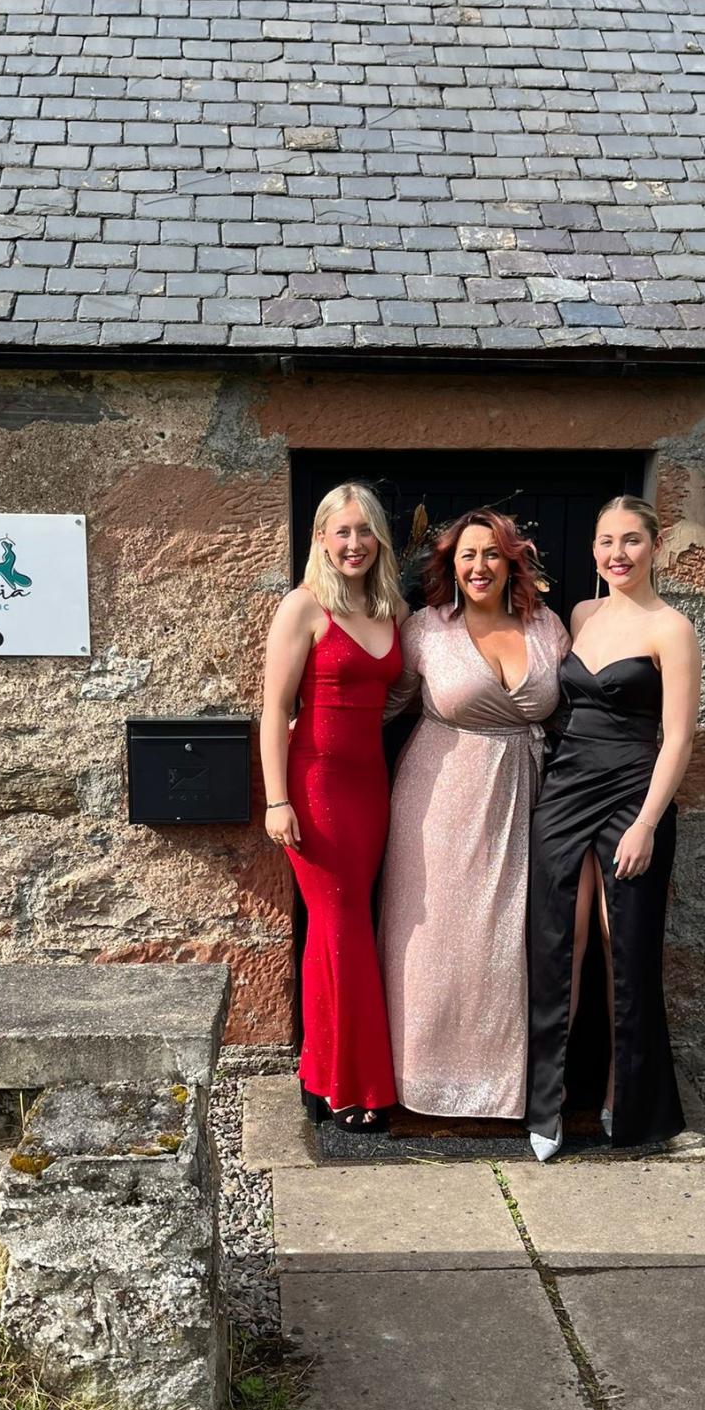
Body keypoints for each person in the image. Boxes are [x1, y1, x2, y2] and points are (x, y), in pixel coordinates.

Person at [525, 495, 700, 1161]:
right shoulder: (582, 614)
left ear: (656, 547)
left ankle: (623, 1096)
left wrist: (648, 823)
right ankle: (547, 1104)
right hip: (567, 791)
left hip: (635, 792)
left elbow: (679, 737)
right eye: (606, 541)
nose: (617, 553)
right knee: (557, 945)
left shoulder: (672, 628)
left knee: (620, 942)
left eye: (631, 540)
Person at [380, 509, 570, 1120]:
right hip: (436, 801)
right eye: (467, 555)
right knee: (434, 942)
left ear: (513, 560)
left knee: (505, 943)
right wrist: (313, 736)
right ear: (450, 565)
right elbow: (388, 705)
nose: (479, 566)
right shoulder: (426, 630)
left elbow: (579, 713)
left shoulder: (548, 628)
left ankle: (501, 1089)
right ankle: (420, 1080)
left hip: (525, 798)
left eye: (492, 554)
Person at [260, 482, 407, 1131]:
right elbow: (272, 710)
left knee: (340, 925)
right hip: (315, 785)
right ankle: (347, 1082)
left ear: (379, 540)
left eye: (365, 530)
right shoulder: (303, 607)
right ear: (322, 537)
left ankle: (321, 1073)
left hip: (370, 786)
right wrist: (276, 798)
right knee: (339, 922)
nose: (354, 543)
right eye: (341, 531)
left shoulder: (388, 609)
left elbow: (399, 690)